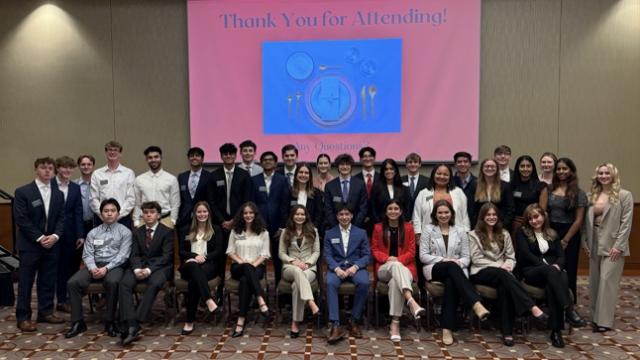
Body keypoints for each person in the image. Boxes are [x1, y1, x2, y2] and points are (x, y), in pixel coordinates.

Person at [469, 203, 548, 347]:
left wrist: (508, 266)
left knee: (505, 287)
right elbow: (476, 259)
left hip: (502, 273)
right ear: (482, 217)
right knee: (505, 277)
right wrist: (501, 267)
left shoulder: (504, 233)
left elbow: (511, 256)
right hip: (480, 271)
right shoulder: (473, 235)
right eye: (488, 215)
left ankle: (507, 332)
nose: (492, 217)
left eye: (494, 215)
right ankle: (532, 307)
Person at [420, 200, 490, 345]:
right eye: (440, 212)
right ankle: (476, 303)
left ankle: (447, 329)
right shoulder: (428, 229)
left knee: (452, 281)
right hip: (434, 268)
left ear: (451, 214)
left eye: (446, 212)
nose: (443, 215)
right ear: (435, 214)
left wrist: (456, 263)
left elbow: (466, 258)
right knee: (451, 267)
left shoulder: (460, 231)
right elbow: (423, 256)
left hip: (455, 269)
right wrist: (444, 260)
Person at [516, 204, 585, 348]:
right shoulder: (522, 232)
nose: (534, 221)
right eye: (530, 219)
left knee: (553, 285)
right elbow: (526, 255)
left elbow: (561, 255)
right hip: (532, 271)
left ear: (543, 216)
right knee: (558, 276)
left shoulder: (552, 233)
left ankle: (556, 332)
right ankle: (568, 310)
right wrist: (548, 268)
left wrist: (557, 266)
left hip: (552, 273)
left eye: (536, 216)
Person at [64, 198, 132, 338]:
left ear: (118, 213)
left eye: (113, 211)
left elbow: (123, 256)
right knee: (73, 283)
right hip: (94, 265)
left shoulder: (125, 232)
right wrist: (93, 268)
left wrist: (106, 269)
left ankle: (110, 321)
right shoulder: (93, 233)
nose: (109, 214)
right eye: (106, 211)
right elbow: (87, 254)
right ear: (101, 214)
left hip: (115, 266)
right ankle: (78, 322)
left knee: (112, 282)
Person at [14, 157, 66, 332]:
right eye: (43, 168)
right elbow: (21, 219)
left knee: (48, 280)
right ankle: (23, 317)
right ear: (36, 169)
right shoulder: (23, 192)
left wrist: (55, 236)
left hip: (52, 244)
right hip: (30, 245)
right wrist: (39, 238)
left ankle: (45, 312)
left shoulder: (58, 193)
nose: (47, 171)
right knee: (26, 282)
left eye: (50, 168)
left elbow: (61, 218)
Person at [583, 163, 634, 332]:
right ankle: (596, 318)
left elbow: (626, 224)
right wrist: (586, 242)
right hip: (594, 241)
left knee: (607, 281)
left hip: (613, 244)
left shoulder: (624, 195)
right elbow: (585, 222)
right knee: (595, 281)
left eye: (607, 173)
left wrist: (619, 246)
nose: (603, 176)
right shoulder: (591, 195)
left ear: (613, 175)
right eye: (600, 173)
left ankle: (604, 321)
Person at [119, 201, 175, 346]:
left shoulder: (167, 232)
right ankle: (131, 321)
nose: (148, 215)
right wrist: (137, 269)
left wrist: (149, 270)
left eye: (152, 212)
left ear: (158, 215)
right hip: (140, 266)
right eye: (145, 212)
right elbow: (134, 254)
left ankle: (136, 322)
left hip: (160, 268)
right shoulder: (137, 232)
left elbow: (166, 256)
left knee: (155, 282)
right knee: (124, 283)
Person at [371, 199, 425, 342]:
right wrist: (390, 259)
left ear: (401, 211)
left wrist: (398, 261)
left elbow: (412, 252)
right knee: (394, 267)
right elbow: (375, 250)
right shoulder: (378, 228)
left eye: (396, 209)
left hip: (405, 268)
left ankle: (395, 324)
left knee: (395, 282)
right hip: (384, 268)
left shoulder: (408, 228)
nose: (393, 211)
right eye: (390, 208)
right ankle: (411, 301)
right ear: (386, 211)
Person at [207, 142, 252, 299]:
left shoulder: (244, 175)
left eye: (231, 154)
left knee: (240, 256)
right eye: (225, 154)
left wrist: (235, 220)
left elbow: (246, 201)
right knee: (219, 258)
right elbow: (211, 202)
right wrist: (223, 221)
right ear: (221, 156)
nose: (228, 156)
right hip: (220, 226)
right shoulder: (214, 176)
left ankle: (243, 290)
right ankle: (219, 290)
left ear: (235, 156)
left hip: (239, 224)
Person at [542, 157, 587, 304]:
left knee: (569, 269)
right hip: (550, 231)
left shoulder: (579, 193)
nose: (561, 172)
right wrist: (548, 233)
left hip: (571, 234)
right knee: (551, 267)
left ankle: (569, 304)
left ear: (571, 171)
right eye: (559, 169)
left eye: (564, 169)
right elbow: (543, 213)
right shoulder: (548, 190)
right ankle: (551, 302)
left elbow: (579, 219)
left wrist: (566, 240)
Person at [324, 204, 371, 344]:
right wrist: (336, 268)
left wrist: (355, 267)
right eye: (341, 214)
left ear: (351, 216)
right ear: (337, 216)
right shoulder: (329, 233)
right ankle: (336, 324)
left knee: (364, 282)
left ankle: (354, 320)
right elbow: (327, 255)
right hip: (337, 268)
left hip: (355, 267)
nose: (344, 217)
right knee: (330, 283)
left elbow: (367, 255)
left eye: (347, 214)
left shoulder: (361, 233)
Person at [226, 202, 271, 338]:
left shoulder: (263, 232)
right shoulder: (235, 231)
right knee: (246, 269)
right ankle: (260, 299)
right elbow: (230, 251)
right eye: (245, 213)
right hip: (237, 266)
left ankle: (241, 321)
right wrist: (243, 262)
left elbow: (265, 254)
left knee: (246, 281)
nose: (248, 215)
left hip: (257, 267)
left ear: (255, 214)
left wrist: (252, 264)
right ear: (242, 215)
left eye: (251, 213)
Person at [178, 201, 224, 335]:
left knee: (194, 282)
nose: (202, 214)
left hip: (207, 265)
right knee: (193, 265)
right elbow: (181, 251)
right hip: (189, 264)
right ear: (194, 213)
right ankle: (209, 299)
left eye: (204, 211)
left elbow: (218, 251)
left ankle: (189, 322)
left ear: (209, 213)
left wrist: (204, 257)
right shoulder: (186, 230)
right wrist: (194, 256)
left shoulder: (216, 229)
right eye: (199, 211)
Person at [278, 205, 321, 338]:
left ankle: (295, 322)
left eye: (302, 214)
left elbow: (316, 252)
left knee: (297, 285)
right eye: (297, 214)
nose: (300, 217)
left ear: (306, 216)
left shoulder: (313, 230)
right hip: (290, 268)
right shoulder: (285, 231)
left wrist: (308, 263)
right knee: (297, 271)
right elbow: (281, 253)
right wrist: (293, 262)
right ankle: (311, 301)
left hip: (309, 268)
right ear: (292, 216)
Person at [52, 156, 85, 314]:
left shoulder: (75, 187)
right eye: (64, 167)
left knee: (71, 266)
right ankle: (59, 299)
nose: (67, 171)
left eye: (70, 168)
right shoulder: (49, 185)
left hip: (71, 233)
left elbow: (78, 211)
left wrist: (80, 234)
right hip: (52, 233)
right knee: (56, 268)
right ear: (57, 168)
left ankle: (68, 299)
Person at [252, 151, 290, 285]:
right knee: (257, 258)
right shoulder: (254, 179)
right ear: (261, 163)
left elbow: (285, 205)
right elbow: (252, 203)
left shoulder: (283, 179)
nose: (268, 161)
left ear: (275, 163)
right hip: (258, 226)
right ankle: (257, 291)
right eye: (265, 159)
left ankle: (280, 290)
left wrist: (283, 226)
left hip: (277, 226)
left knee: (278, 259)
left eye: (270, 159)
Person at [413, 164, 470, 240]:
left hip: (456, 238)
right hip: (429, 238)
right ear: (433, 175)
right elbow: (416, 217)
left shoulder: (458, 192)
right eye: (439, 174)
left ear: (450, 177)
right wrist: (418, 234)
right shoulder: (423, 193)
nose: (442, 176)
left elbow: (464, 216)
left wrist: (466, 234)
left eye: (445, 174)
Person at [90, 140, 135, 228]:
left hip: (122, 219)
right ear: (106, 152)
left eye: (115, 150)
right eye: (110, 150)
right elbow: (93, 198)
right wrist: (104, 215)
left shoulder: (128, 173)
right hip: (101, 219)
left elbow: (131, 198)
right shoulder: (97, 174)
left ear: (120, 153)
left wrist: (117, 215)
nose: (112, 152)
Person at [132, 146, 180, 228]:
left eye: (156, 157)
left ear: (161, 158)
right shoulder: (139, 179)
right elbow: (137, 203)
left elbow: (175, 203)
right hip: (144, 221)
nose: (153, 160)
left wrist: (173, 220)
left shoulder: (171, 179)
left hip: (165, 220)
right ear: (146, 160)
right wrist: (136, 221)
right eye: (150, 158)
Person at [467, 158, 515, 230]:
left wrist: (503, 226)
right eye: (486, 166)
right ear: (482, 169)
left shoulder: (505, 186)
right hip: (480, 227)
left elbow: (510, 209)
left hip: (500, 227)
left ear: (497, 169)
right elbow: (471, 209)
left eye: (492, 166)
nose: (489, 168)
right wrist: (476, 226)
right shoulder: (474, 185)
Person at [323, 153, 368, 228]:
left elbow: (363, 207)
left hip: (356, 227)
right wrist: (336, 226)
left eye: (347, 164)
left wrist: (354, 226)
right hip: (335, 227)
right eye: (342, 164)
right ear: (337, 166)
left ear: (351, 166)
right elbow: (328, 209)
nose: (344, 167)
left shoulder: (360, 184)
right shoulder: (329, 186)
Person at [177, 147, 211, 243]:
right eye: (191, 156)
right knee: (184, 245)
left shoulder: (209, 176)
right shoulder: (181, 177)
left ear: (202, 159)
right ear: (188, 159)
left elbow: (211, 199)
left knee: (202, 244)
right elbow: (179, 198)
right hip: (184, 218)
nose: (194, 158)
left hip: (203, 217)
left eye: (197, 155)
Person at [510, 155, 547, 236]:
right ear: (518, 168)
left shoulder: (541, 186)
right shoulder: (512, 185)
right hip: (515, 224)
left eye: (528, 166)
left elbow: (542, 211)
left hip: (534, 223)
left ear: (532, 168)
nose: (525, 169)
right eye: (522, 166)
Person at [371, 158, 411, 224]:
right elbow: (373, 209)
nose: (389, 171)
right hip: (381, 225)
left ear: (395, 171)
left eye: (391, 169)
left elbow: (408, 208)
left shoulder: (404, 188)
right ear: (383, 172)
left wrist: (403, 222)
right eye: (386, 169)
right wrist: (379, 223)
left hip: (401, 225)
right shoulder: (376, 188)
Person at [290, 163, 324, 231]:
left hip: (311, 230)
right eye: (301, 172)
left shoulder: (316, 193)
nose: (303, 175)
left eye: (306, 173)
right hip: (292, 230)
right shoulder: (289, 192)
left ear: (310, 176)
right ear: (296, 174)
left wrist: (312, 228)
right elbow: (284, 212)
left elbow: (319, 213)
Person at [354, 146, 379, 235]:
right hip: (359, 222)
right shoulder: (354, 179)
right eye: (365, 156)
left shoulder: (382, 178)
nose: (368, 158)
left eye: (370, 156)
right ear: (360, 159)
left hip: (378, 222)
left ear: (374, 158)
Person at [401, 152, 429, 218]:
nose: (413, 164)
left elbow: (428, 200)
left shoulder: (427, 181)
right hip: (403, 219)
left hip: (421, 217)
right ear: (406, 165)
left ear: (420, 164)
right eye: (410, 162)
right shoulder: (400, 180)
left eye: (415, 162)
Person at [75, 154, 96, 234]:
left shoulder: (98, 185)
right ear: (79, 166)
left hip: (96, 224)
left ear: (93, 166)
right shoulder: (74, 185)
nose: (86, 167)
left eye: (89, 164)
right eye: (83, 164)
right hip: (78, 225)